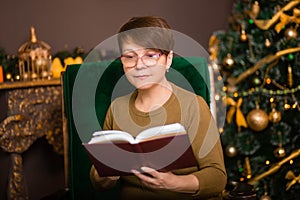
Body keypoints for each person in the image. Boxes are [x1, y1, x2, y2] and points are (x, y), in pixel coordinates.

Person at [90, 16, 227, 200]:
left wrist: (174, 183)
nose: (139, 65)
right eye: (130, 57)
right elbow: (97, 181)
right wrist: (108, 172)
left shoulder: (193, 105)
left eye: (150, 55)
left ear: (168, 59)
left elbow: (218, 177)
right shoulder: (117, 108)